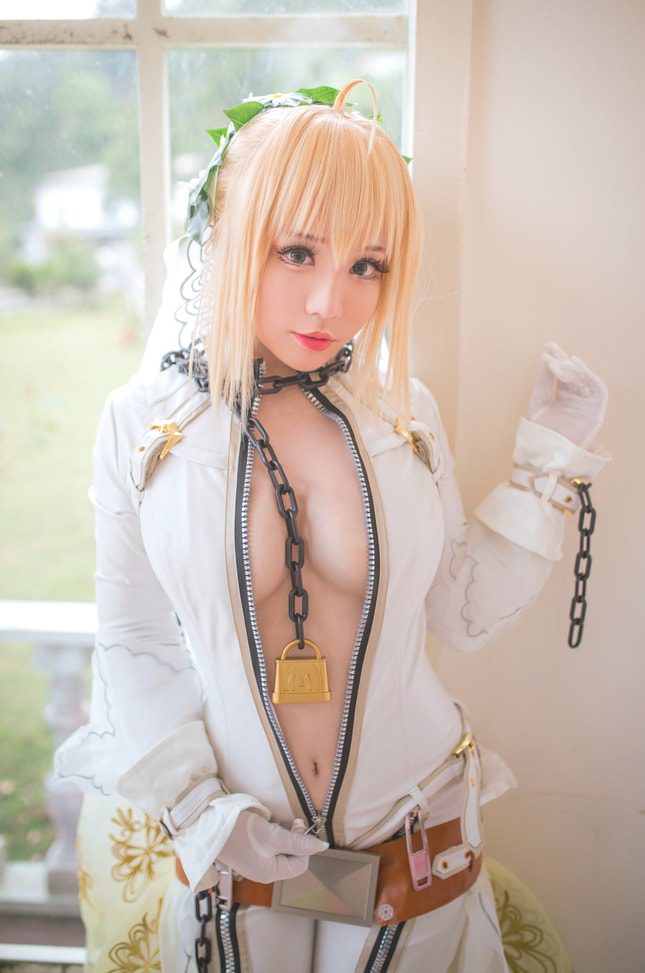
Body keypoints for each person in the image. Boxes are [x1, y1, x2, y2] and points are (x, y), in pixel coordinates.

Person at [53, 79, 611, 972]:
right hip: (237, 870)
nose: (329, 303)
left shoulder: (401, 415)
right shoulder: (143, 425)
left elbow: (461, 610)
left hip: (418, 850)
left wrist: (545, 463)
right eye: (297, 252)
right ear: (230, 236)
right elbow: (133, 639)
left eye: (367, 265)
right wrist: (201, 811)